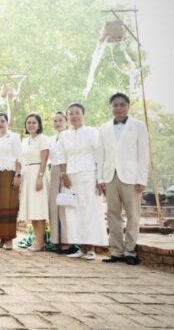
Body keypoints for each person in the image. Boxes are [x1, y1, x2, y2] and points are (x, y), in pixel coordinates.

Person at [96, 93, 149, 266]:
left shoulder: (138, 126)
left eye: (122, 104)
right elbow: (100, 155)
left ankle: (130, 251)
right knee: (113, 214)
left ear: (128, 106)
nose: (118, 108)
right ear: (111, 107)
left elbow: (143, 154)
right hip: (110, 176)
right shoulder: (104, 128)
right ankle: (117, 251)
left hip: (131, 177)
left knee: (133, 215)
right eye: (115, 105)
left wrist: (142, 178)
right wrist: (100, 178)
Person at [56, 103, 108, 260]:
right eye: (70, 113)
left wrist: (100, 178)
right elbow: (61, 156)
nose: (74, 116)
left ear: (83, 115)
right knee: (73, 210)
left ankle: (90, 248)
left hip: (89, 174)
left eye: (77, 112)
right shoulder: (64, 135)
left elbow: (99, 155)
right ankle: (81, 247)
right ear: (67, 117)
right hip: (70, 176)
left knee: (89, 210)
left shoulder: (92, 132)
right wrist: (64, 174)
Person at [0, 113, 22, 250]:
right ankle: (1, 238)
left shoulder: (13, 137)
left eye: (2, 121)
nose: (0, 123)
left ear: (7, 123)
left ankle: (9, 239)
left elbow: (19, 157)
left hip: (9, 174)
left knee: (9, 206)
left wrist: (18, 175)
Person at [19, 113, 50, 252]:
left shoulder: (42, 139)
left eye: (33, 122)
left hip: (38, 173)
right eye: (28, 122)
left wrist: (40, 177)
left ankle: (40, 241)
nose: (30, 125)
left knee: (39, 208)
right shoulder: (25, 141)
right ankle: (38, 240)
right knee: (32, 209)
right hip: (27, 175)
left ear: (39, 125)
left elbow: (44, 159)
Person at [48, 111, 74, 254]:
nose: (57, 123)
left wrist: (65, 174)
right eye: (55, 121)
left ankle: (67, 241)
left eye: (60, 120)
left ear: (66, 121)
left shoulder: (70, 136)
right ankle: (56, 240)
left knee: (65, 205)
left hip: (67, 170)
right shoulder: (52, 139)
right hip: (54, 171)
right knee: (54, 206)